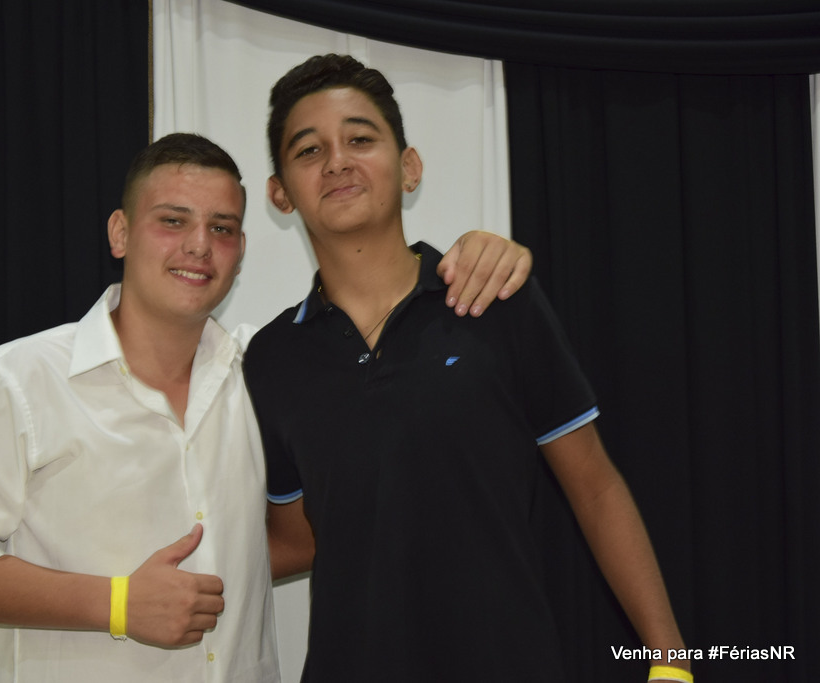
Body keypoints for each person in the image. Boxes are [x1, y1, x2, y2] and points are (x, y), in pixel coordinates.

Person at [0, 132, 531, 682]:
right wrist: (116, 605)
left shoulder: (270, 370)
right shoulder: (14, 381)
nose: (199, 245)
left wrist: (477, 255)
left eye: (222, 228)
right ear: (120, 232)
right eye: (172, 221)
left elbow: (338, 505)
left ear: (242, 248)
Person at [243, 54, 692, 683]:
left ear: (409, 166)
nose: (337, 161)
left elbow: (594, 487)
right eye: (309, 149)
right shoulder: (271, 358)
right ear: (281, 193)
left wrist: (671, 660)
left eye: (360, 139)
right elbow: (297, 537)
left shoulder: (493, 298)